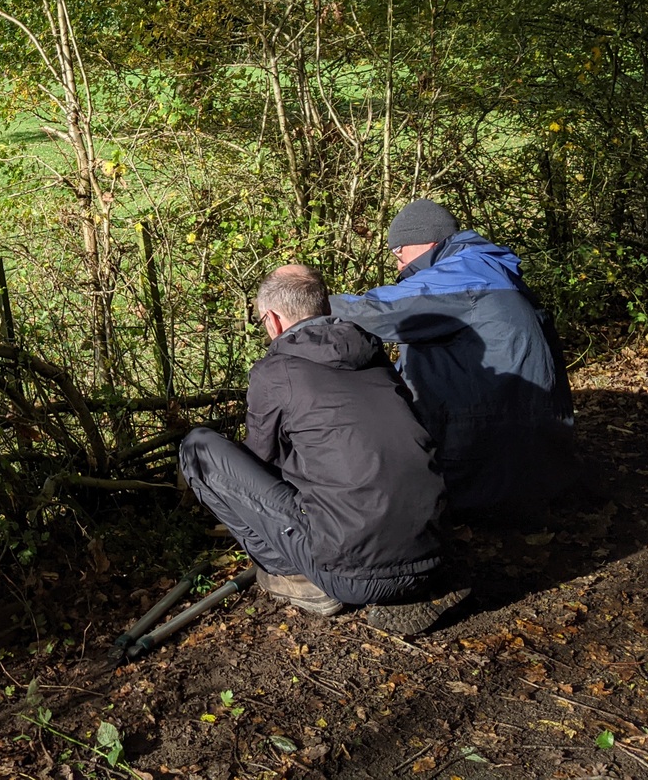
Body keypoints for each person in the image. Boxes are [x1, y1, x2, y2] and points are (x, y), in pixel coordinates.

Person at [179, 265, 450, 622]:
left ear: (272, 320)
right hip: (433, 555)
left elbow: (260, 463)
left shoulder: (276, 372)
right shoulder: (374, 356)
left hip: (350, 575)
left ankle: (291, 573)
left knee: (199, 447)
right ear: (324, 309)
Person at [330, 198, 578, 524]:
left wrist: (312, 305)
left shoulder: (465, 276)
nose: (397, 264)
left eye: (398, 252)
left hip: (495, 453)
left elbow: (379, 312)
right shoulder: (486, 268)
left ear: (425, 241)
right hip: (533, 448)